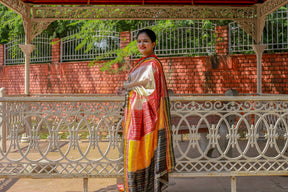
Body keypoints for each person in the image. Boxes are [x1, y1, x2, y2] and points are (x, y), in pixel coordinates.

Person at [118, 29, 175, 192]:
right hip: (138, 115)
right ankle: (136, 185)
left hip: (148, 117)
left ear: (153, 44)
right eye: (139, 41)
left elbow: (146, 88)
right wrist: (127, 89)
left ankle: (143, 186)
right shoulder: (144, 62)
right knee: (136, 151)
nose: (141, 44)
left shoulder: (152, 64)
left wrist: (126, 87)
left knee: (142, 150)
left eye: (145, 41)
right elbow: (138, 85)